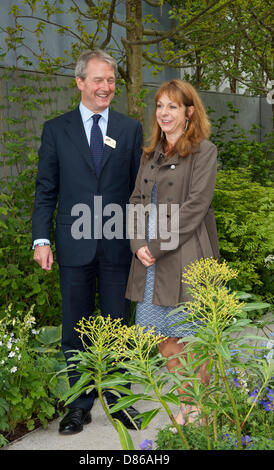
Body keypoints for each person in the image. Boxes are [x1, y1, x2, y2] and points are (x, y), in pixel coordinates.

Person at [32, 49, 143, 434]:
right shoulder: (56, 129)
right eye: (98, 80)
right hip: (73, 243)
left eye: (111, 80)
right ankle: (79, 406)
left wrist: (144, 239)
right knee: (75, 328)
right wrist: (41, 239)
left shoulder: (129, 129)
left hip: (117, 245)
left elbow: (138, 192)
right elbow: (46, 189)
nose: (106, 87)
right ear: (80, 82)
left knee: (117, 326)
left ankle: (118, 400)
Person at [125, 79, 219, 426]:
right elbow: (135, 201)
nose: (164, 113)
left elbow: (196, 207)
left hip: (186, 253)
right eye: (160, 106)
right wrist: (137, 245)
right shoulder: (150, 154)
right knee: (165, 337)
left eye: (173, 106)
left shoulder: (203, 152)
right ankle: (187, 403)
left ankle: (199, 407)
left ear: (189, 112)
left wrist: (156, 245)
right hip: (148, 258)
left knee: (191, 334)